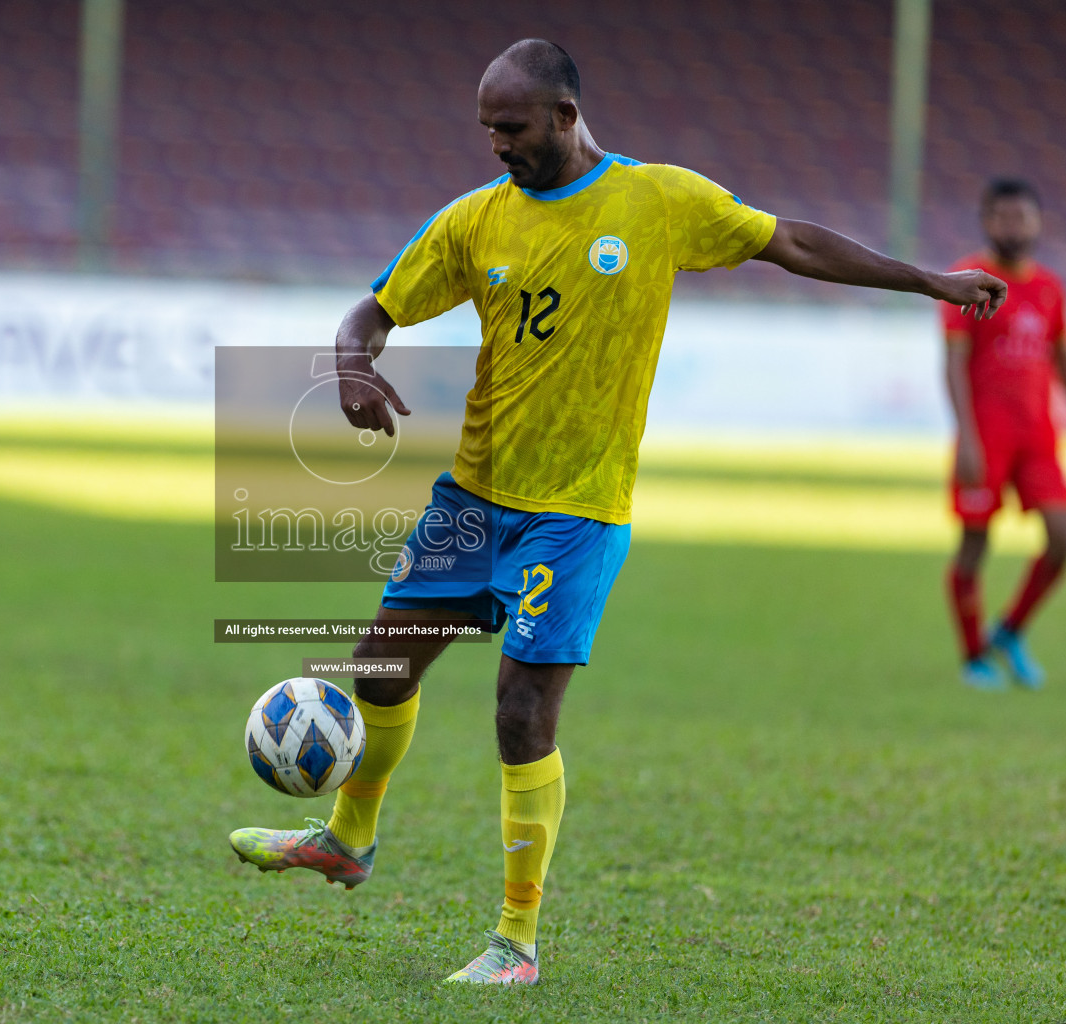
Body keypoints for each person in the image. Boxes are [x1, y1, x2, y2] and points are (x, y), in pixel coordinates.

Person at [229, 38, 1006, 986]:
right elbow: (372, 310)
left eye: (510, 129)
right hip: (474, 498)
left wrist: (928, 280)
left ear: (564, 117)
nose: (495, 146)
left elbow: (791, 240)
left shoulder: (657, 201)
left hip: (578, 511)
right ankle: (349, 840)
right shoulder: (475, 222)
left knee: (522, 712)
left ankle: (516, 941)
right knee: (380, 672)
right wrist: (353, 364)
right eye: (485, 130)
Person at [943, 178, 1066, 691]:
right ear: (986, 221)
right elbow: (953, 362)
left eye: (1022, 217)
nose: (1012, 226)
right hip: (986, 436)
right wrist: (966, 438)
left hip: (1038, 437)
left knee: (1062, 540)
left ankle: (1010, 631)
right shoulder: (967, 281)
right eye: (1002, 217)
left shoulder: (1050, 288)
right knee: (974, 544)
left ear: (1038, 222)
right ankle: (974, 657)